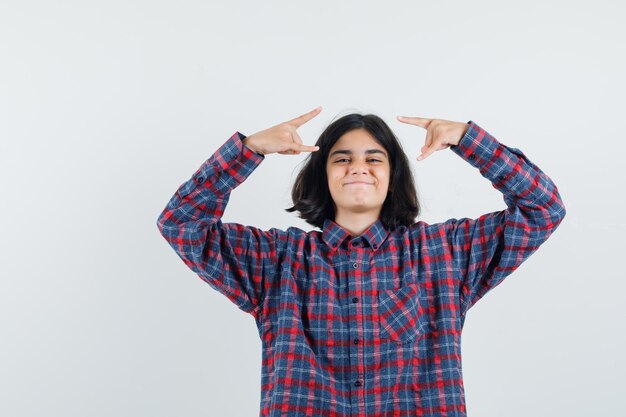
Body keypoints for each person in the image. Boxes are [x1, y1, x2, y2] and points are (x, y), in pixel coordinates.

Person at [156, 106, 566, 416]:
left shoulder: (445, 253)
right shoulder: (275, 261)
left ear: (392, 176)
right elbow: (182, 223)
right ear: (323, 175)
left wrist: (467, 139)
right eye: (341, 158)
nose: (358, 168)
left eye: (374, 158)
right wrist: (249, 150)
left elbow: (542, 208)